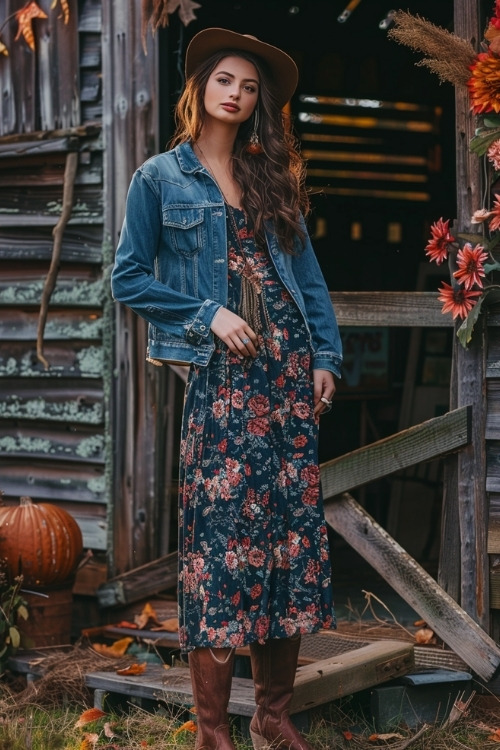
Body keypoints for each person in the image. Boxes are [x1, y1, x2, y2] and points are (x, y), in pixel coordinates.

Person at [111, 27, 343, 750]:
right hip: (224, 388)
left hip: (287, 385)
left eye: (248, 86)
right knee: (222, 548)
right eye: (226, 81)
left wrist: (326, 358)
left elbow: (306, 280)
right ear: (201, 88)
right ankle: (213, 729)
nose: (237, 93)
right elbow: (128, 278)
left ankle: (272, 716)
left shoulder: (271, 177)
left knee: (287, 546)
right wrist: (206, 312)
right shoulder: (159, 178)